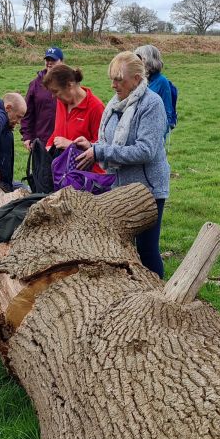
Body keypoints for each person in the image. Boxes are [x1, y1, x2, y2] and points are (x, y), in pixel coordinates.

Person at [73, 51, 169, 277]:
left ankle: (162, 302)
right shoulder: (116, 103)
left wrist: (100, 152)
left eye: (119, 79)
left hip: (148, 190)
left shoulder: (151, 104)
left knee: (146, 250)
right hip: (120, 189)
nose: (114, 85)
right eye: (112, 79)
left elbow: (146, 150)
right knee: (124, 249)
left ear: (137, 79)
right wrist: (91, 146)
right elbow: (112, 141)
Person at [43, 64, 105, 172]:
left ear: (69, 85)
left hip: (86, 178)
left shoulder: (96, 107)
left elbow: (103, 147)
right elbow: (58, 132)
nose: (53, 96)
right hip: (61, 173)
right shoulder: (61, 102)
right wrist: (49, 147)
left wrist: (71, 145)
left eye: (55, 91)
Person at [20, 47, 64, 151]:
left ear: (61, 61)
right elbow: (28, 112)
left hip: (63, 140)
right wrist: (27, 137)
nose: (49, 63)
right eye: (47, 60)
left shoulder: (67, 82)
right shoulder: (35, 84)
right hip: (41, 140)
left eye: (53, 60)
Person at [134, 44, 177, 140]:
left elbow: (167, 114)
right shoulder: (138, 80)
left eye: (139, 59)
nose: (135, 62)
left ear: (149, 61)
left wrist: (156, 136)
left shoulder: (162, 82)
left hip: (152, 135)